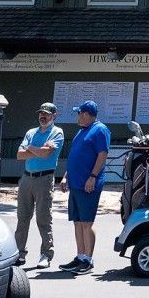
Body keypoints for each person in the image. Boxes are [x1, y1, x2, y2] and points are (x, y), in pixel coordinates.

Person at [58, 100, 111, 274]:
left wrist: (93, 177)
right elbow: (75, 157)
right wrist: (66, 177)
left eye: (79, 113)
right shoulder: (81, 131)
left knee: (87, 223)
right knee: (78, 222)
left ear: (86, 114)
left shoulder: (100, 130)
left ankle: (88, 260)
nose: (77, 116)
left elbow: (102, 154)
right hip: (75, 184)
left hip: (89, 184)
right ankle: (80, 256)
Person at [15, 101, 64, 268]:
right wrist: (36, 148)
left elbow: (46, 154)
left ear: (54, 116)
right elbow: (19, 155)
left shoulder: (57, 132)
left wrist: (30, 148)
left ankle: (46, 254)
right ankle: (19, 254)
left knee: (43, 218)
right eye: (41, 113)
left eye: (47, 114)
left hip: (45, 179)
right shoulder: (31, 132)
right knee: (22, 218)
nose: (42, 116)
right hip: (26, 178)